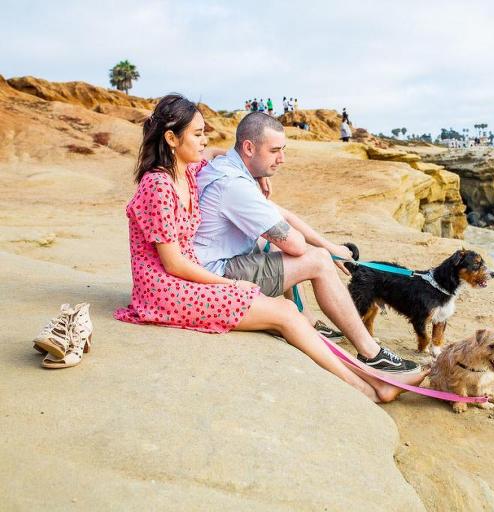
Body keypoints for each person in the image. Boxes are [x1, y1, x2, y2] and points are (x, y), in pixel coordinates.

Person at [116, 96, 424, 404]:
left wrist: (257, 175)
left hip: (188, 276)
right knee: (286, 314)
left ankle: (374, 379)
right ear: (172, 139)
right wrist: (230, 285)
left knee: (288, 311)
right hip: (166, 290)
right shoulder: (158, 185)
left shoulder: (187, 170)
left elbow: (214, 152)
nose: (204, 140)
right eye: (197, 134)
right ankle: (369, 388)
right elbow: (173, 264)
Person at [195, 112, 423, 374]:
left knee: (280, 241)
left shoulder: (225, 165)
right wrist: (327, 253)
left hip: (210, 259)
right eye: (274, 151)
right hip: (216, 277)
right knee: (318, 261)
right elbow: (296, 246)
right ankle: (371, 352)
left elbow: (283, 216)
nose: (282, 158)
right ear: (248, 148)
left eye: (283, 149)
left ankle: (308, 318)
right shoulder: (236, 187)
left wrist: (333, 248)